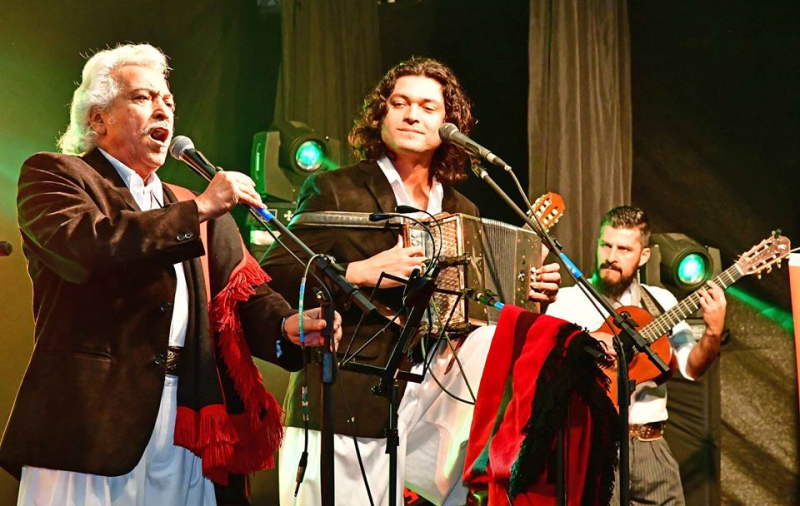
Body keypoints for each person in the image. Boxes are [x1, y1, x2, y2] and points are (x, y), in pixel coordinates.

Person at [0, 43, 341, 506]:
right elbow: (88, 248)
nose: (162, 109)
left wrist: (287, 326)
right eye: (142, 97)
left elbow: (243, 294)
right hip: (90, 419)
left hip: (186, 413)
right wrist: (198, 209)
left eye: (168, 101)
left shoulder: (186, 202)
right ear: (97, 119)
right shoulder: (56, 175)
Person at [262, 57, 560, 505]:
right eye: (399, 103)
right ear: (379, 115)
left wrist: (529, 295)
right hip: (347, 396)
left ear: (450, 125)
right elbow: (275, 274)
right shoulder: (335, 189)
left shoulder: (463, 210)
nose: (411, 115)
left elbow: (476, 312)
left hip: (437, 407)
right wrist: (359, 272)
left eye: (427, 106)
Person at [546, 206, 726, 505]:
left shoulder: (661, 301)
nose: (612, 256)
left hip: (651, 447)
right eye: (606, 245)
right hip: (593, 446)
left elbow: (692, 368)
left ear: (644, 255)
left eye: (624, 249)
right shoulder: (565, 301)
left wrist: (713, 333)